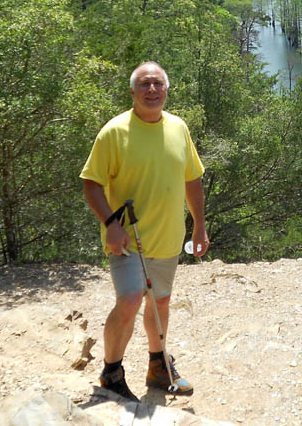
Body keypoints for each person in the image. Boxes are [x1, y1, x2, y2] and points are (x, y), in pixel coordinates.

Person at [80, 61, 209, 402]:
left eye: (157, 84)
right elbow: (91, 184)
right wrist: (110, 225)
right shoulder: (114, 132)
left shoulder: (178, 128)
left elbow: (192, 179)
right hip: (126, 238)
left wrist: (199, 226)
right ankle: (111, 374)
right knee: (130, 299)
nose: (152, 90)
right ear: (133, 92)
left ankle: (158, 367)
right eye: (144, 84)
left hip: (167, 235)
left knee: (160, 301)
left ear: (166, 89)